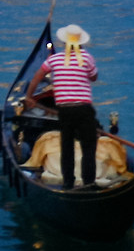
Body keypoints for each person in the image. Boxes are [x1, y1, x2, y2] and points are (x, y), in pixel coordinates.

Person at [33, 24, 100, 187]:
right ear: (82, 42)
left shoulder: (54, 59)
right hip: (84, 109)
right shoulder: (87, 58)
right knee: (88, 148)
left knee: (67, 147)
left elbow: (37, 77)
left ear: (64, 43)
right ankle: (89, 183)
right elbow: (94, 77)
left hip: (65, 111)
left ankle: (68, 183)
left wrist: (29, 97)